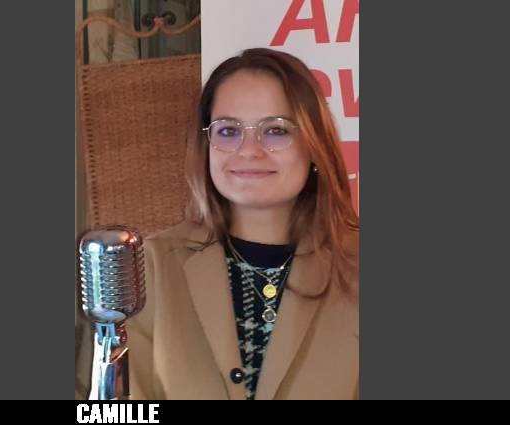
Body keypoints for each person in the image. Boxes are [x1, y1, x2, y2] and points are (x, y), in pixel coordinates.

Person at [76, 47, 359, 400]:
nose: (249, 150)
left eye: (275, 130)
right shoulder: (150, 267)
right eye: (228, 131)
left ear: (314, 144)